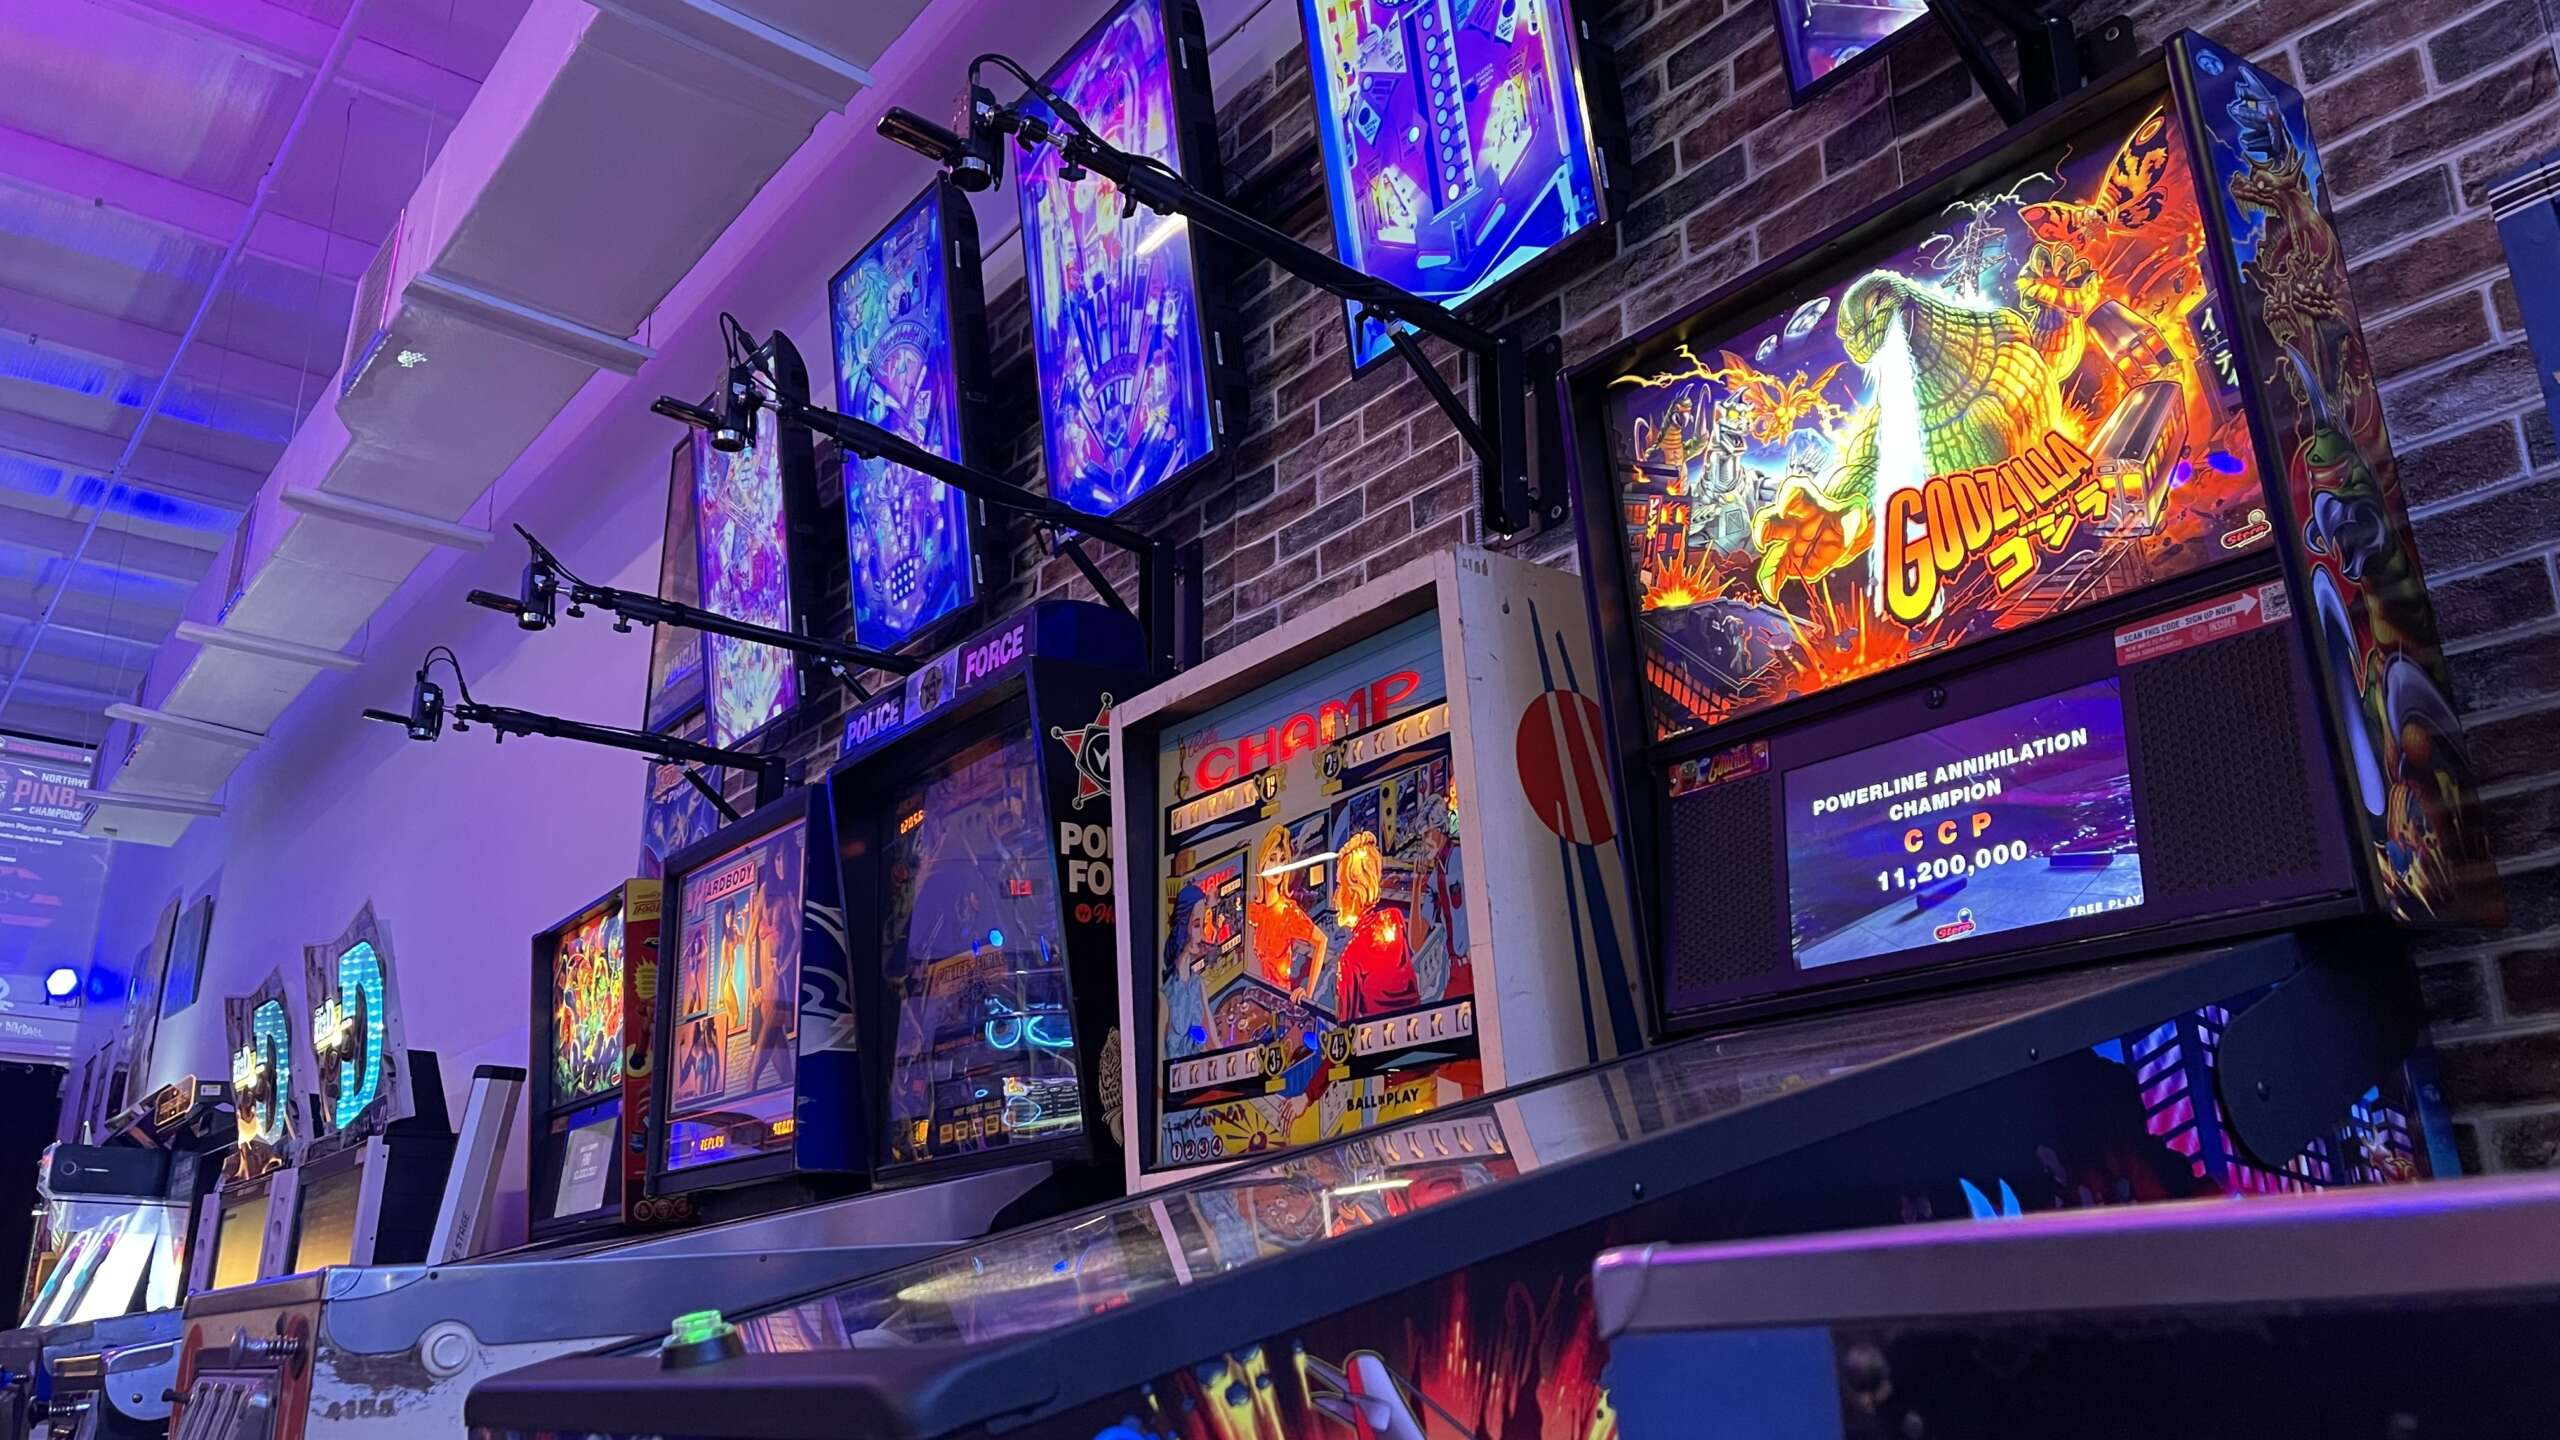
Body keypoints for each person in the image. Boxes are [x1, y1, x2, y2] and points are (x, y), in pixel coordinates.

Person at [1332, 833, 1420, 1020]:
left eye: (1339, 886)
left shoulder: (1350, 957)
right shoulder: (1394, 918)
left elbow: (1345, 1028)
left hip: (1379, 1037)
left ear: (1355, 892)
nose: (1335, 897)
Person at [1249, 826, 1327, 1003]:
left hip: (1281, 1000)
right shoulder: (1255, 909)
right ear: (1262, 863)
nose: (1278, 866)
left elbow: (1321, 941)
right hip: (1260, 999)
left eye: (1283, 860)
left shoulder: (1288, 912)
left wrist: (1308, 993)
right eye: (1272, 859)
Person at [1161, 883, 1218, 1059]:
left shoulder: (1197, 984)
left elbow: (1214, 1043)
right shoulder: (1164, 994)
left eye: (1203, 924)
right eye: (1196, 925)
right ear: (1182, 926)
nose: (1202, 934)